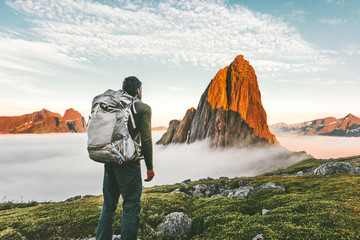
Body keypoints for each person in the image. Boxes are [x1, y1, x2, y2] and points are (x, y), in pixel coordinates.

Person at [96, 76, 155, 240]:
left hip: (109, 160)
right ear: (138, 90)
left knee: (108, 207)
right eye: (141, 90)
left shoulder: (113, 107)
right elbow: (147, 140)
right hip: (129, 164)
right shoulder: (143, 108)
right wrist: (149, 167)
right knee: (130, 206)